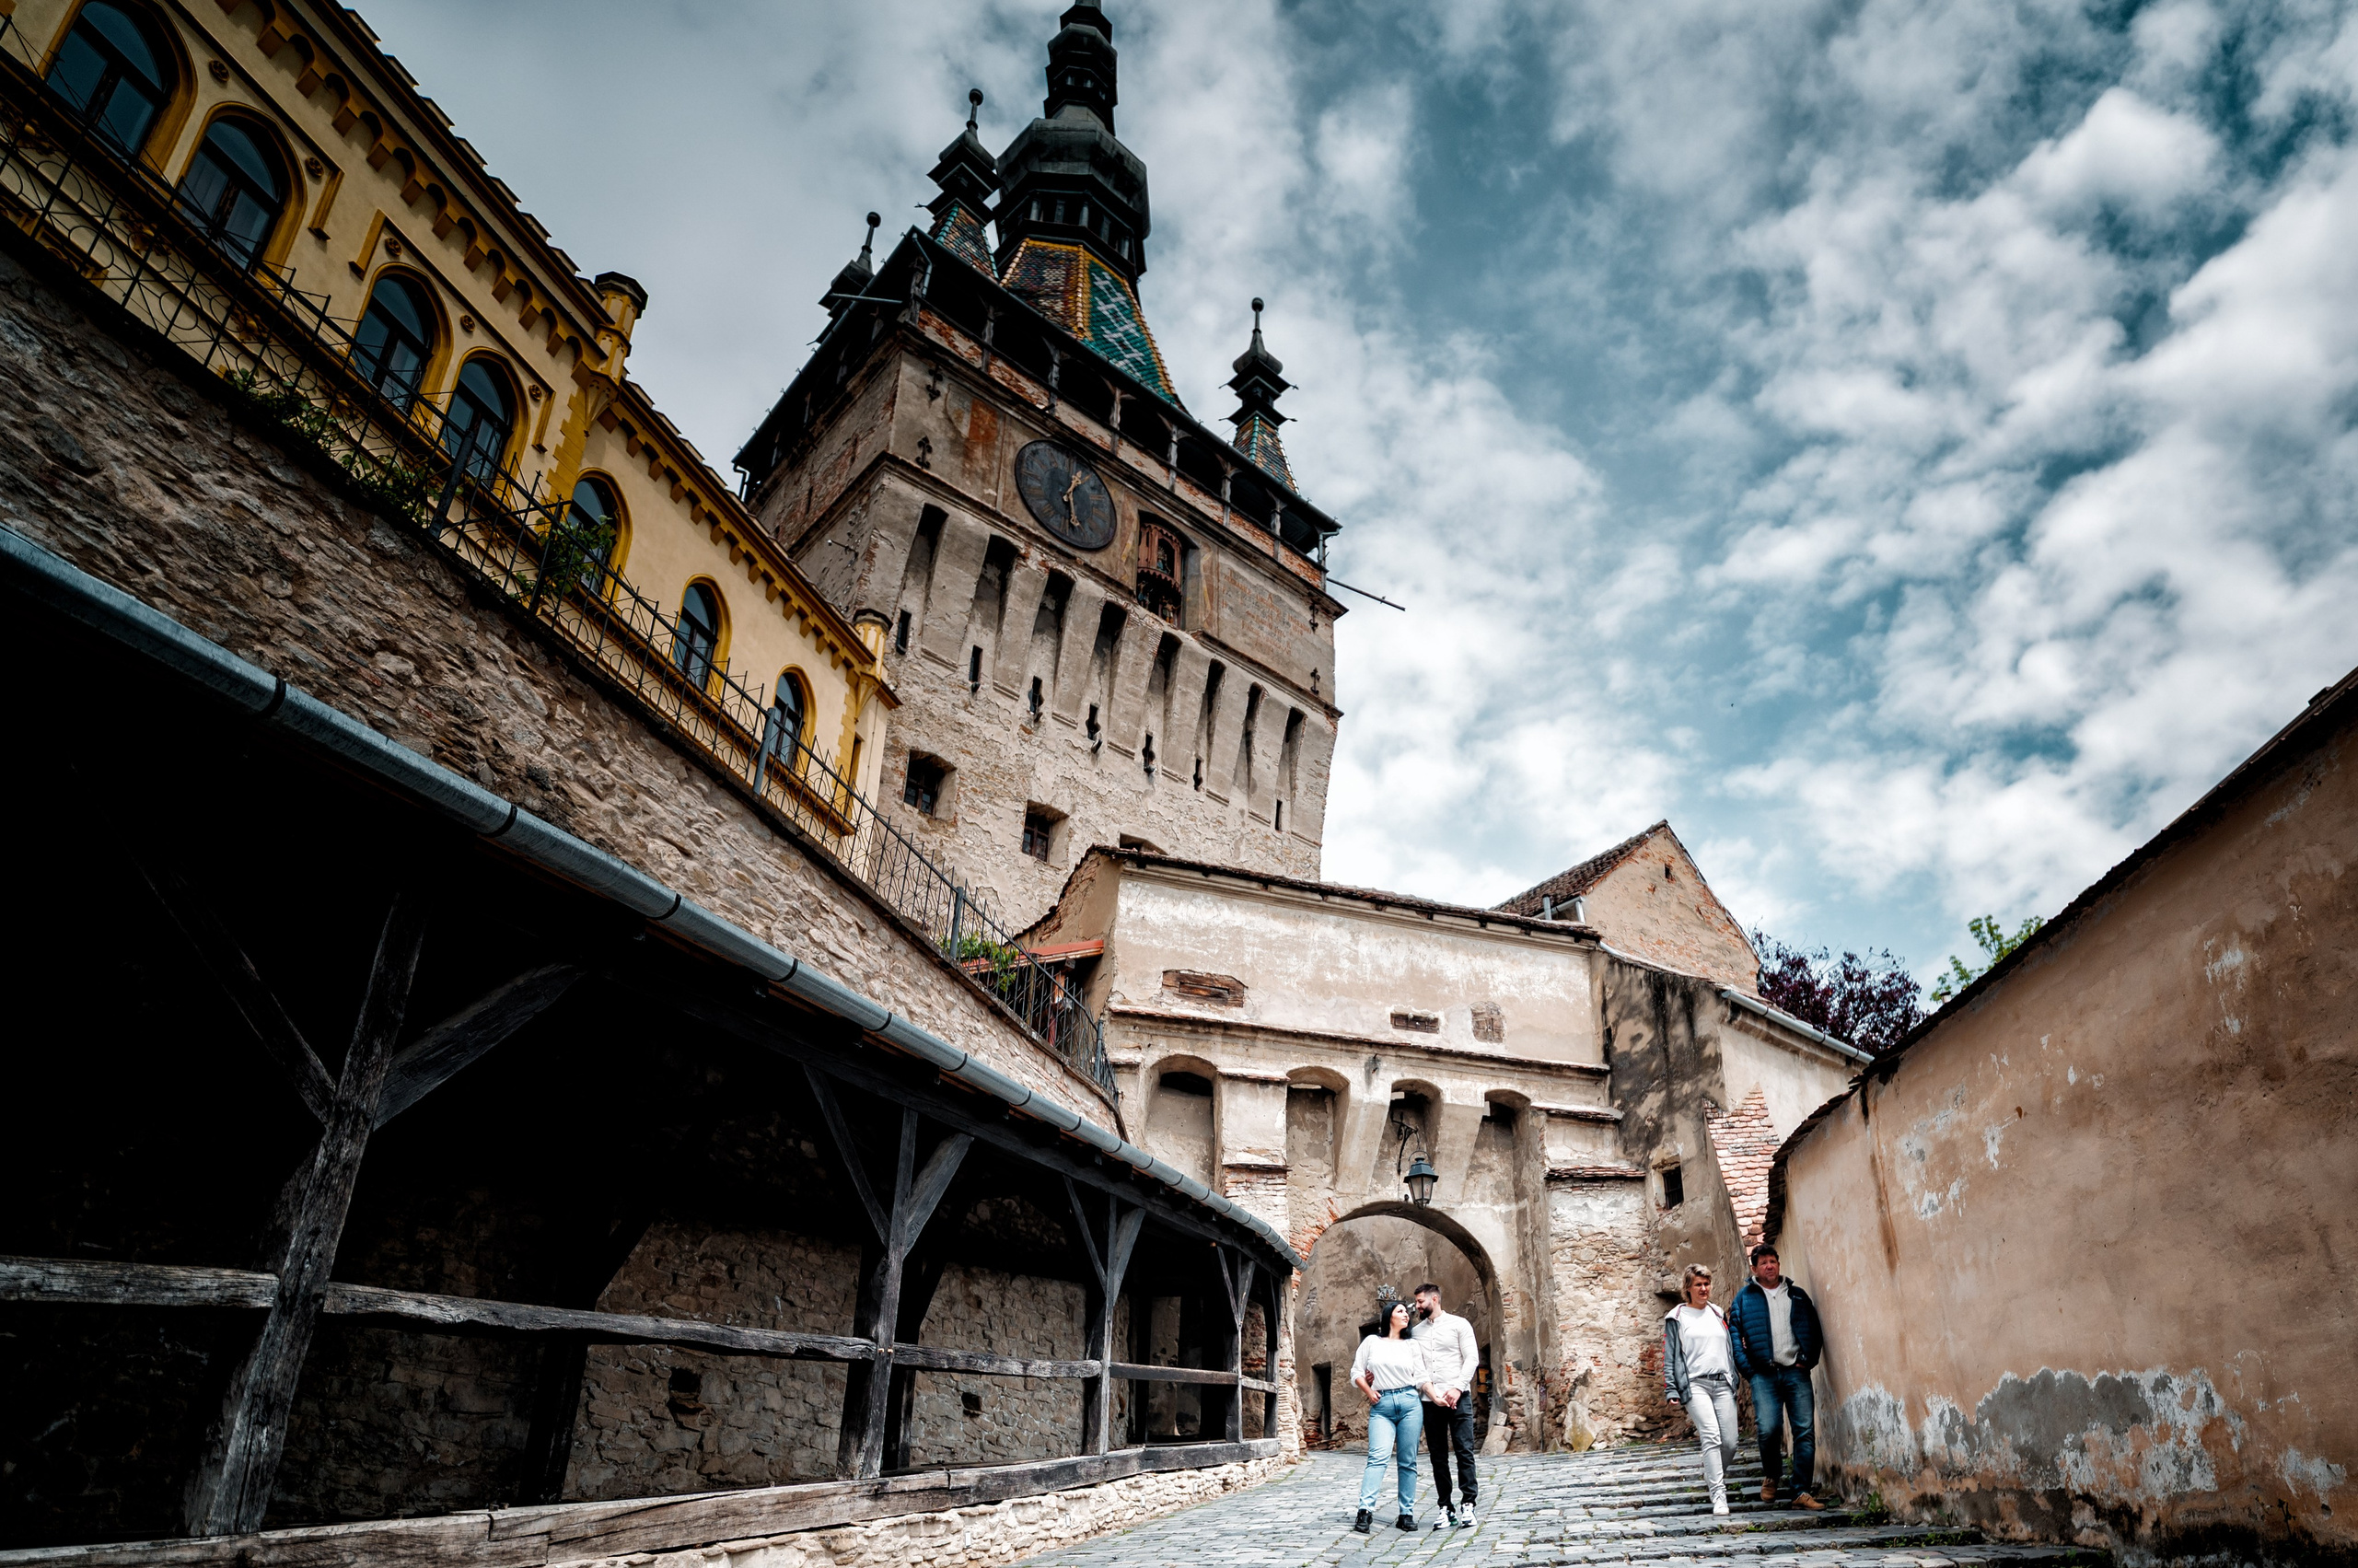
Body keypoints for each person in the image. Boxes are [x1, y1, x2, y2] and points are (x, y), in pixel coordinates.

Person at [1728, 1242, 1824, 1510]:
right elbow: (1734, 1335)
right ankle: (1772, 1475)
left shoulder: (1797, 1295)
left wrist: (1808, 1360)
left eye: (1773, 1261)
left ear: (1778, 1264)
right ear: (1754, 1268)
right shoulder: (1744, 1298)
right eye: (1764, 1262)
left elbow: (1813, 1329)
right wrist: (1748, 1369)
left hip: (1796, 1371)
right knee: (1768, 1430)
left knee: (1804, 1431)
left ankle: (1800, 1491)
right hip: (1763, 1376)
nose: (1769, 1265)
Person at [1348, 1298, 1439, 1534]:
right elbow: (1356, 1372)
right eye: (1401, 1311)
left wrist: (1436, 1397)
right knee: (1377, 1457)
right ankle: (1365, 1511)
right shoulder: (1372, 1342)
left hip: (1410, 1402)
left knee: (1408, 1461)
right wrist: (1369, 1392)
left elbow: (1420, 1376)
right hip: (1382, 1405)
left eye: (1407, 1312)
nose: (1406, 1315)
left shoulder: (1411, 1346)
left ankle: (1406, 1514)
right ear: (1389, 1316)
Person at [1661, 1263, 1738, 1516]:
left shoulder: (1717, 1312)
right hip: (1695, 1384)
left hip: (1723, 1382)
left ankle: (1712, 1473)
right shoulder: (1677, 1316)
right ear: (1688, 1288)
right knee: (1711, 1436)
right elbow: (1671, 1355)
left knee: (1730, 1442)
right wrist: (1672, 1389)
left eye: (1706, 1284)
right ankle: (1719, 1495)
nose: (1704, 1288)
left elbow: (1727, 1348)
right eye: (1698, 1284)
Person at [1411, 1283, 1481, 1528]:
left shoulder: (1459, 1324)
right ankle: (1445, 1507)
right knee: (1438, 1457)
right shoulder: (1416, 1332)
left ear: (1435, 1299)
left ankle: (1469, 1505)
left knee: (1464, 1451)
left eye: (1421, 1301)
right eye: (1417, 1302)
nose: (1417, 1306)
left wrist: (1457, 1387)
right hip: (1431, 1401)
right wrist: (1432, 1393)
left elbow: (1471, 1358)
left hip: (1458, 1398)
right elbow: (1417, 1368)